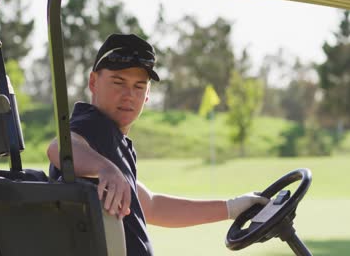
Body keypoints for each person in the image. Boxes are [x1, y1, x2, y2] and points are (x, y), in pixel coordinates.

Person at [47, 33, 269, 256]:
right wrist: (105, 168)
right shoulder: (92, 125)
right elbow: (60, 147)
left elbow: (152, 206)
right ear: (93, 82)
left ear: (147, 95)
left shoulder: (114, 143)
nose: (129, 95)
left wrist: (232, 208)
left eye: (139, 86)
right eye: (118, 82)